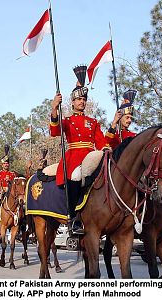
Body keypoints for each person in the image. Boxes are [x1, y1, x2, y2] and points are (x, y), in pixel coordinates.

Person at [50, 65, 108, 233]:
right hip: (75, 158)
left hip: (92, 156)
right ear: (72, 102)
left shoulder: (93, 121)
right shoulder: (67, 120)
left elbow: (101, 141)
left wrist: (106, 149)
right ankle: (73, 217)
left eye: (84, 99)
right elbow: (54, 131)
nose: (82, 102)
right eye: (78, 99)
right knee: (75, 177)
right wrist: (54, 108)